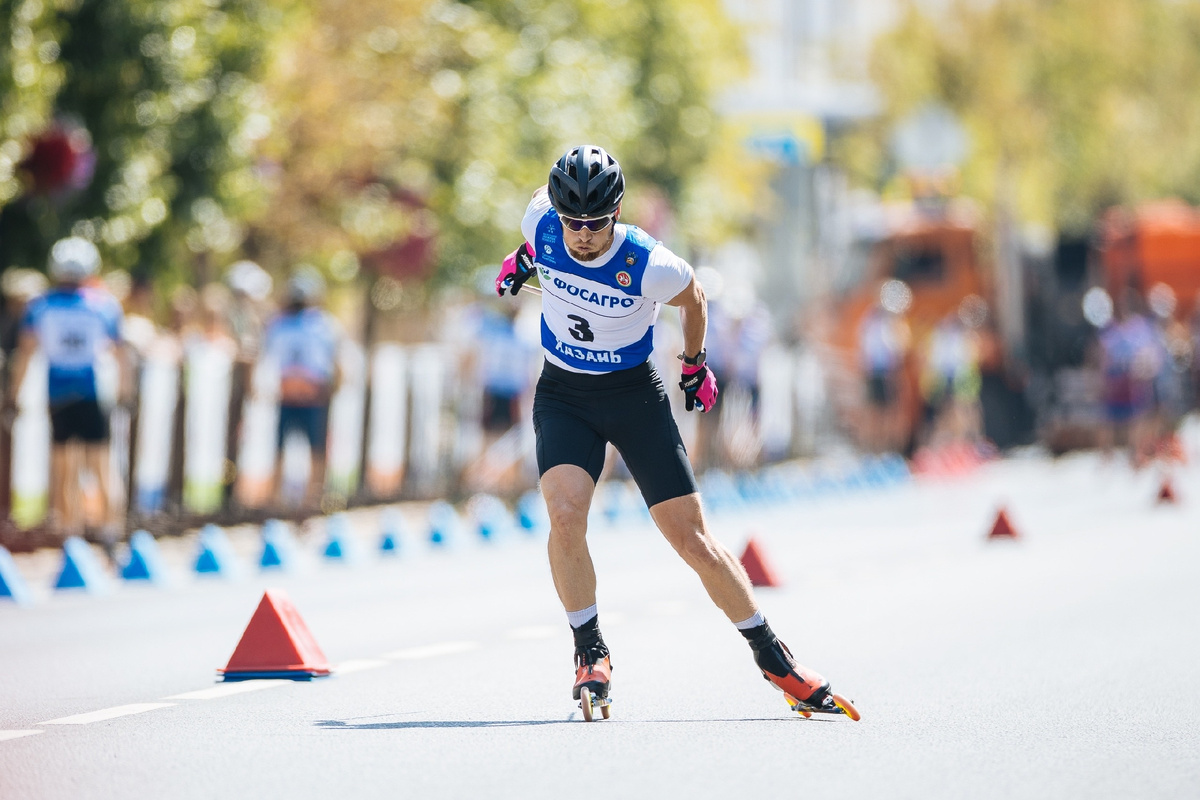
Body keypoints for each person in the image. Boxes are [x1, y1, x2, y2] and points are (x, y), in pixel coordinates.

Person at [495, 145, 856, 718]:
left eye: (595, 223)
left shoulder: (649, 262)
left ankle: (774, 657)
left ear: (616, 213)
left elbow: (695, 298)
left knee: (691, 539)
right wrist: (523, 259)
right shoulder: (541, 220)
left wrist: (693, 364)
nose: (582, 234)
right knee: (564, 514)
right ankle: (590, 651)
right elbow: (541, 237)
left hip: (634, 397)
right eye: (572, 223)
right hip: (564, 394)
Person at [8, 237, 126, 546]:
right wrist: (126, 393)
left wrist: (13, 395)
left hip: (58, 393)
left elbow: (25, 353)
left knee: (63, 469)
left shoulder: (40, 306)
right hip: (91, 392)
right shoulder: (103, 304)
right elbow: (121, 354)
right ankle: (111, 534)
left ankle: (70, 538)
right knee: (101, 465)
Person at [262, 267, 342, 509]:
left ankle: (312, 500)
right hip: (291, 396)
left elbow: (335, 362)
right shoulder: (281, 323)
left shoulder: (322, 324)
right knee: (282, 449)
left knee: (315, 450)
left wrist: (332, 388)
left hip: (311, 396)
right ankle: (278, 501)